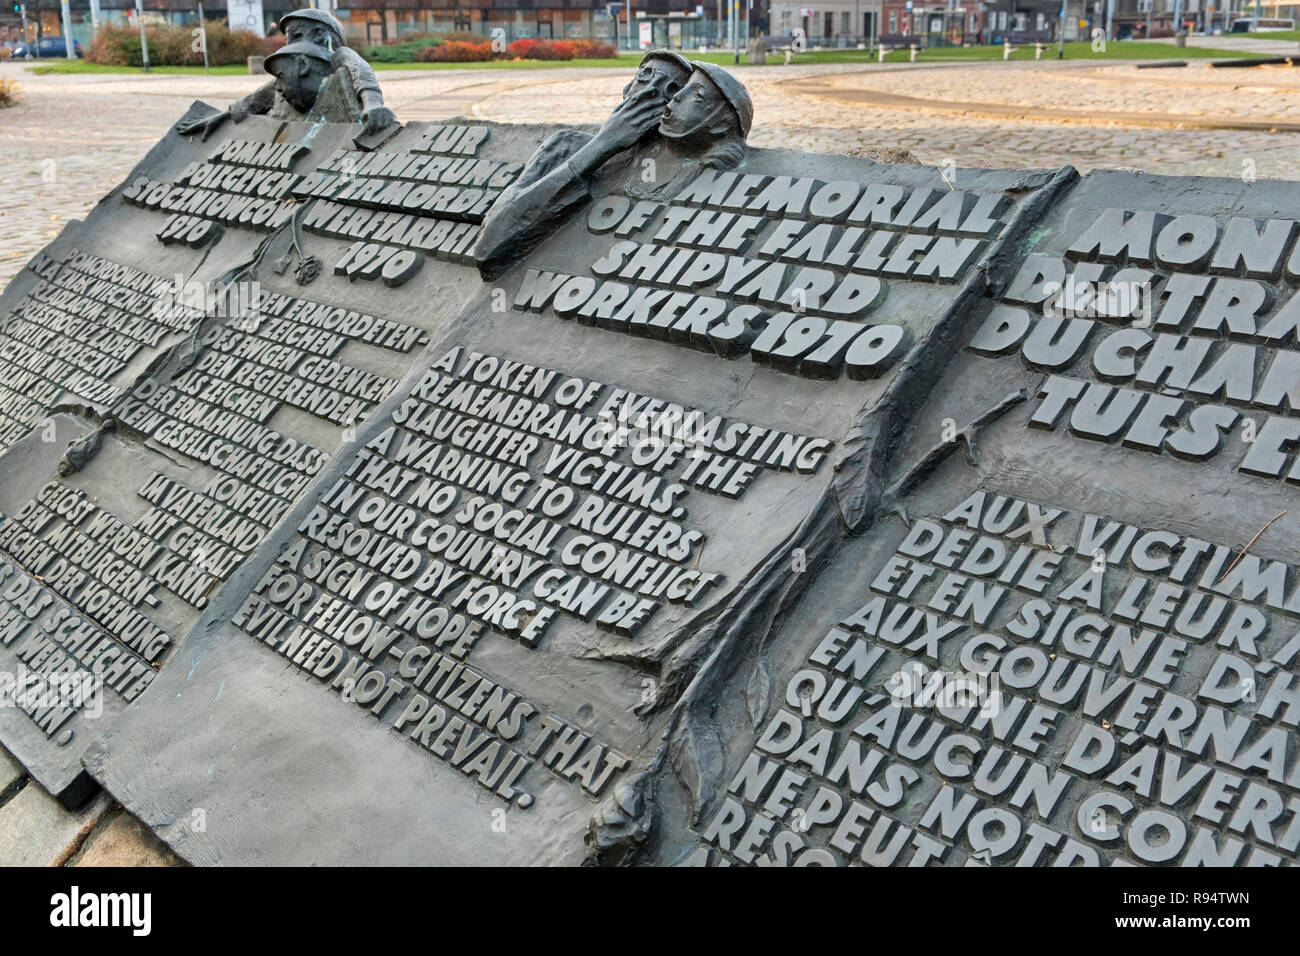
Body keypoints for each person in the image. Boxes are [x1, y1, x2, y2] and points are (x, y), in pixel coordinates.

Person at [474, 53, 754, 280]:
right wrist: (600, 147)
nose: (650, 96)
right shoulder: (567, 146)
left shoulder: (688, 171)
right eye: (646, 77)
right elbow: (489, 249)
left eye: (672, 90)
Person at [176, 8, 395, 139]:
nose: (291, 44)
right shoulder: (293, 76)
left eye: (297, 36)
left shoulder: (339, 57)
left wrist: (373, 104)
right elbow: (260, 96)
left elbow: (361, 72)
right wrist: (223, 116)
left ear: (320, 35)